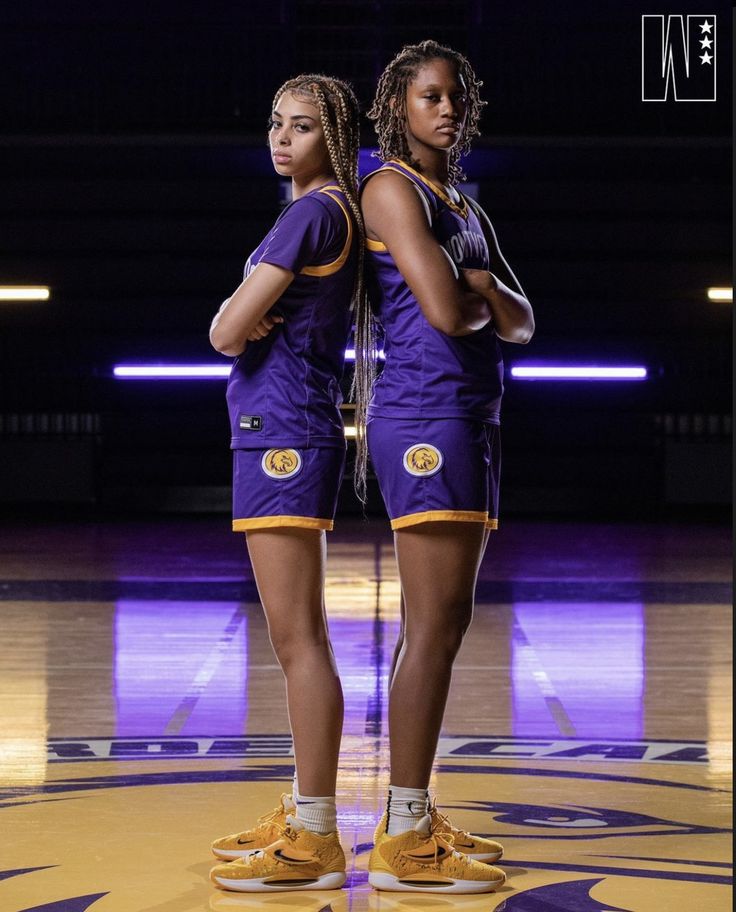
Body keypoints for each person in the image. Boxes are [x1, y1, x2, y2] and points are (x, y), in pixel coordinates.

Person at [357, 39, 535, 893]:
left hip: (470, 418)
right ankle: (401, 829)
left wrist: (488, 292)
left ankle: (412, 811)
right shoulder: (391, 188)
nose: (447, 108)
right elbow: (444, 308)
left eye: (458, 96)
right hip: (426, 418)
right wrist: (483, 297)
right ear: (399, 104)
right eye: (430, 95)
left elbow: (520, 319)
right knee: (431, 627)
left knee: (448, 623)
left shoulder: (460, 199)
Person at [207, 73, 364, 893]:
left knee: (300, 638)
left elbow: (225, 330)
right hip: (285, 429)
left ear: (329, 139)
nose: (281, 138)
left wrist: (235, 310)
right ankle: (304, 811)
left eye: (301, 127)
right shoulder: (317, 211)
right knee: (296, 637)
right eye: (275, 122)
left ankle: (315, 830)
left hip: (285, 436)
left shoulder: (313, 211)